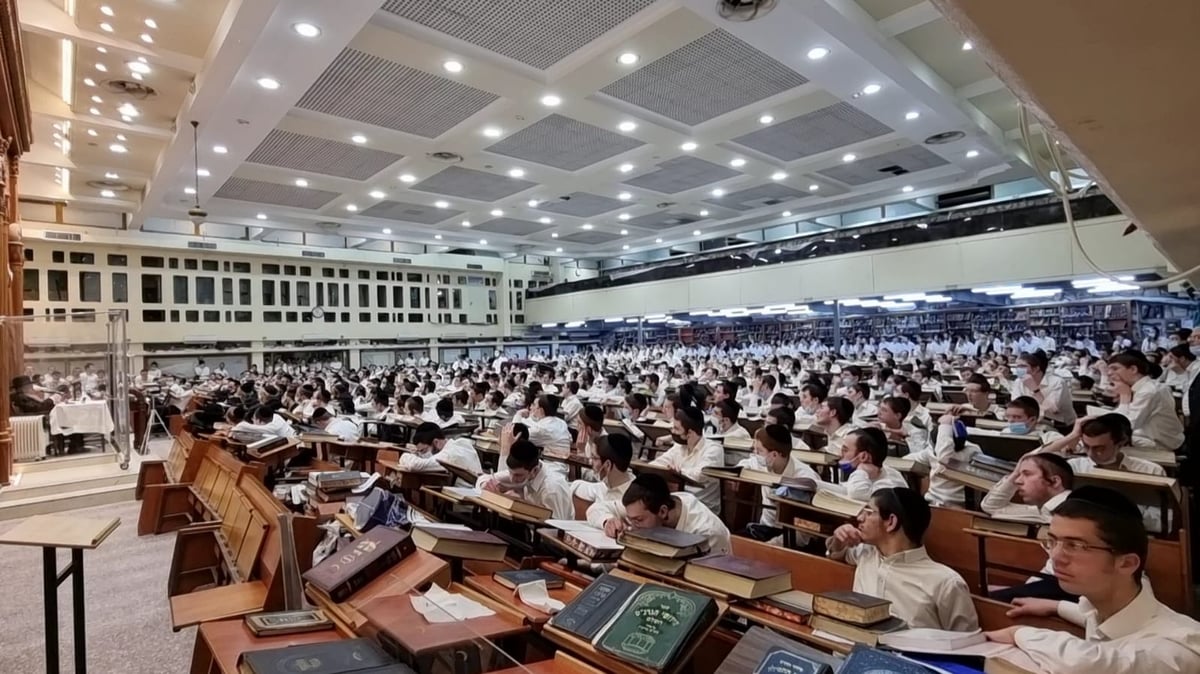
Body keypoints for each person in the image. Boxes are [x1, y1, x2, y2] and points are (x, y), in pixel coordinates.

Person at [986, 487, 1200, 672]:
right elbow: (1091, 616)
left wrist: (1020, 633)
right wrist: (1056, 606)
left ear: (1127, 564)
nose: (1056, 557)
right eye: (1052, 541)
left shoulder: (1181, 645)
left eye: (1076, 546)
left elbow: (1088, 666)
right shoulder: (1105, 607)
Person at [827, 487, 979, 631]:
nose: (859, 518)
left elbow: (965, 644)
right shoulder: (866, 554)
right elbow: (836, 553)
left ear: (891, 522)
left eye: (869, 512)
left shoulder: (945, 582)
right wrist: (839, 539)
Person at [981, 453, 1076, 602]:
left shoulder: (1073, 511)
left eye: (1026, 474)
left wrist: (1017, 592)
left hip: (1066, 590)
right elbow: (992, 507)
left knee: (986, 598)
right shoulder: (1043, 510)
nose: (1018, 481)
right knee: (982, 591)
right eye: (1018, 475)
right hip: (1050, 584)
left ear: (1055, 481)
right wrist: (1015, 472)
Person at [596, 473, 731, 554]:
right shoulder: (646, 503)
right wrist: (608, 521)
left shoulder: (707, 531)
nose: (633, 526)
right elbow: (596, 509)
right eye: (630, 519)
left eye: (639, 520)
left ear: (662, 511)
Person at [737, 424, 821, 545]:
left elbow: (806, 530)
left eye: (759, 451)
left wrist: (775, 543)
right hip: (764, 528)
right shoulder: (763, 463)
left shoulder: (805, 478)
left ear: (774, 455)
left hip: (791, 535)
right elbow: (748, 463)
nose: (755, 454)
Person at [648, 406, 725, 513]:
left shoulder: (714, 449)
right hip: (678, 500)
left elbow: (700, 475)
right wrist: (649, 468)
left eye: (676, 429)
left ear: (690, 433)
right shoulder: (679, 446)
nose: (672, 432)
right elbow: (659, 462)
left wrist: (678, 472)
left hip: (702, 506)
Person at [477, 438, 573, 519]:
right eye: (510, 473)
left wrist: (522, 505)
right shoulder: (522, 471)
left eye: (518, 475)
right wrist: (486, 485)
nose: (512, 479)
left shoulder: (552, 489)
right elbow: (484, 478)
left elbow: (555, 528)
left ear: (534, 471)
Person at [1108, 352, 1185, 450]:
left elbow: (1126, 426)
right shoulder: (1140, 387)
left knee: (1107, 440)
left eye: (1115, 368)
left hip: (1162, 443)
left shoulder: (1148, 391)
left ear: (1133, 369)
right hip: (1146, 435)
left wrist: (1124, 396)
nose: (1109, 373)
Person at [830, 427, 908, 501]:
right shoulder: (866, 476)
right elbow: (844, 490)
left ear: (863, 456)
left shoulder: (891, 482)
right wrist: (818, 485)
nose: (840, 454)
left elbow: (856, 493)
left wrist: (861, 471)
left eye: (845, 450)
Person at [1010, 350, 1076, 431]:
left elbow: (1053, 410)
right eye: (1017, 366)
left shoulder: (1057, 382)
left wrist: (1035, 389)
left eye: (1022, 366)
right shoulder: (1018, 381)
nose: (1018, 369)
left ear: (1036, 369)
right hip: (1031, 421)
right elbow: (1016, 406)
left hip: (1061, 424)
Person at [400, 422, 482, 481]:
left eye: (423, 451)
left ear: (436, 442)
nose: (422, 454)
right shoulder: (461, 443)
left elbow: (415, 465)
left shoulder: (448, 455)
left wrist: (406, 455)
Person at [577, 434, 635, 515]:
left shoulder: (631, 499)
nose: (591, 462)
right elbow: (578, 486)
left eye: (594, 458)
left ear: (607, 464)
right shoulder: (605, 485)